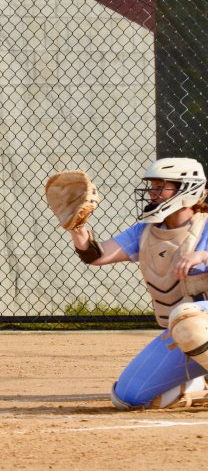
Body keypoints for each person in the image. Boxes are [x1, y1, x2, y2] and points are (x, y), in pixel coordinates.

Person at [63, 158, 208, 409]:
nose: (152, 193)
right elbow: (97, 255)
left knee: (188, 319)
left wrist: (204, 255)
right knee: (128, 397)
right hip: (185, 332)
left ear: (187, 189)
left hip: (194, 324)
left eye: (161, 186)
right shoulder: (145, 231)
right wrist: (77, 227)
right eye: (152, 186)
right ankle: (199, 383)